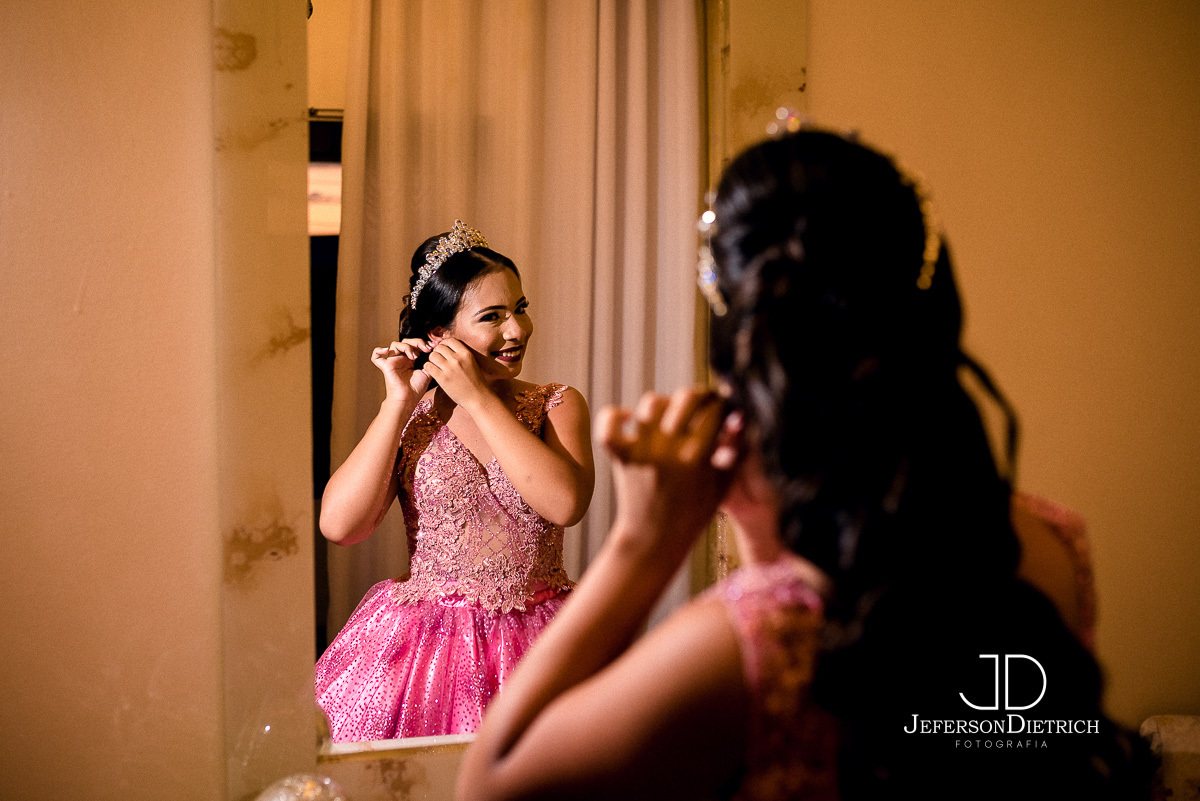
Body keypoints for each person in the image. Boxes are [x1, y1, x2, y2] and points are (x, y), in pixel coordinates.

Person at [456, 132, 1148, 799]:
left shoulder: (756, 644)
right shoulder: (1051, 547)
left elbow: (490, 786)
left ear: (739, 362)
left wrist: (645, 541)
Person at [315, 221, 595, 742]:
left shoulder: (555, 404)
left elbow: (564, 504)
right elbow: (340, 526)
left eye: (520, 308)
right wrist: (398, 403)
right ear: (438, 336)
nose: (517, 330)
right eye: (493, 317)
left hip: (543, 642)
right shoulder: (411, 417)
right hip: (426, 653)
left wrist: (479, 399)